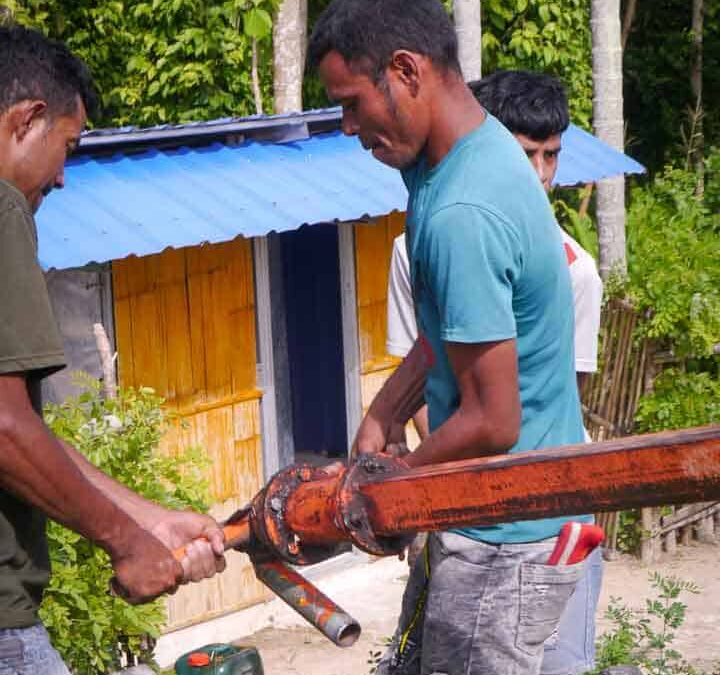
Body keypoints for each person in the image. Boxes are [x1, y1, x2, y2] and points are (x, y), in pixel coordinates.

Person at [309, 3, 590, 674]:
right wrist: (386, 411)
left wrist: (391, 487)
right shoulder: (452, 161)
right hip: (477, 518)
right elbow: (452, 330)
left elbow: (493, 420)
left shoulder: (465, 208)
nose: (348, 128)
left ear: (406, 71)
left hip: (503, 539)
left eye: (351, 104)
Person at [0, 25, 226, 674]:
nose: (64, 177)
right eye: (67, 146)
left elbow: (23, 426)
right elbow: (7, 427)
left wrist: (151, 518)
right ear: (26, 119)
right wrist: (127, 542)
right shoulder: (4, 208)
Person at [385, 69, 605, 675]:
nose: (537, 174)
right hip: (453, 499)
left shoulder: (572, 267)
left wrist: (399, 483)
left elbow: (543, 401)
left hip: (523, 524)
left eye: (550, 156)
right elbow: (435, 362)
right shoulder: (424, 235)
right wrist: (409, 461)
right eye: (523, 153)